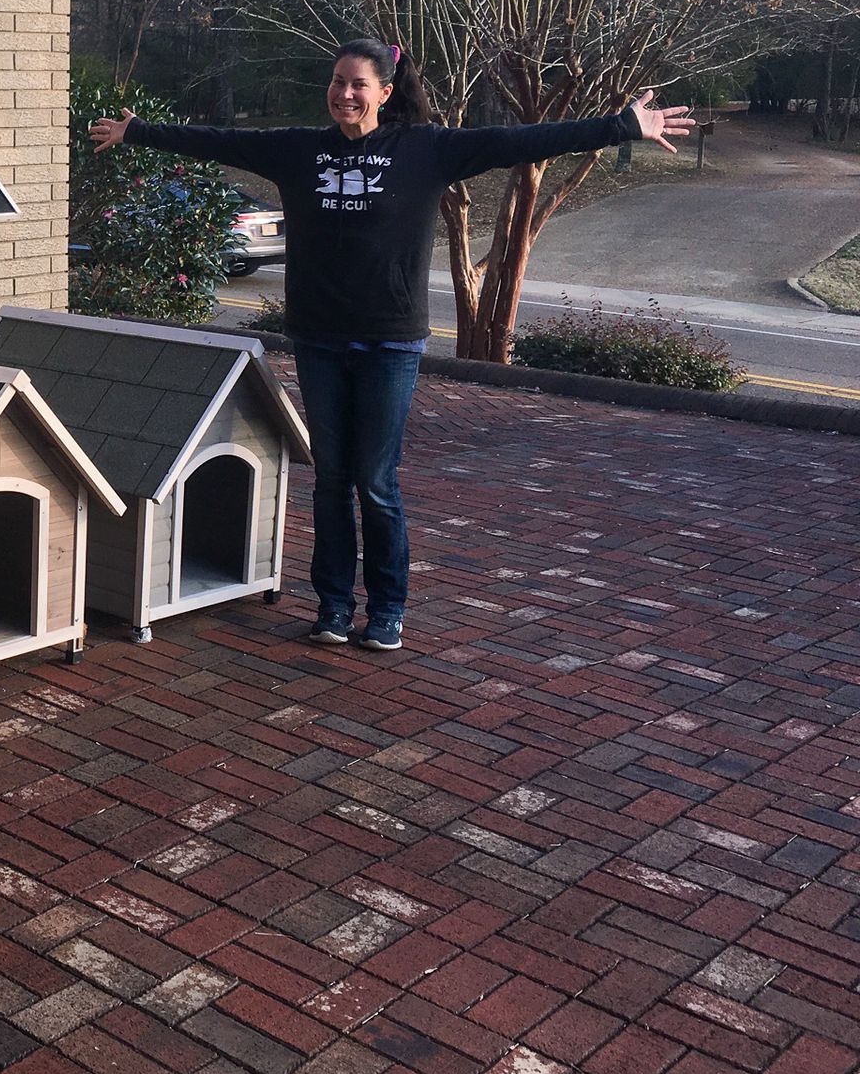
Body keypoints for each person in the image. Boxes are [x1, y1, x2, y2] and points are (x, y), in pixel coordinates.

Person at [90, 41, 693, 652]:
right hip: (319, 339)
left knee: (376, 482)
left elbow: (522, 142)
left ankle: (387, 610)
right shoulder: (299, 149)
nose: (344, 94)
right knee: (330, 478)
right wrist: (136, 131)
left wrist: (623, 126)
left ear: (384, 90)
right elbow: (215, 140)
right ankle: (331, 606)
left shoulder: (425, 150)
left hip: (389, 342)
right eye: (337, 82)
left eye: (358, 84)